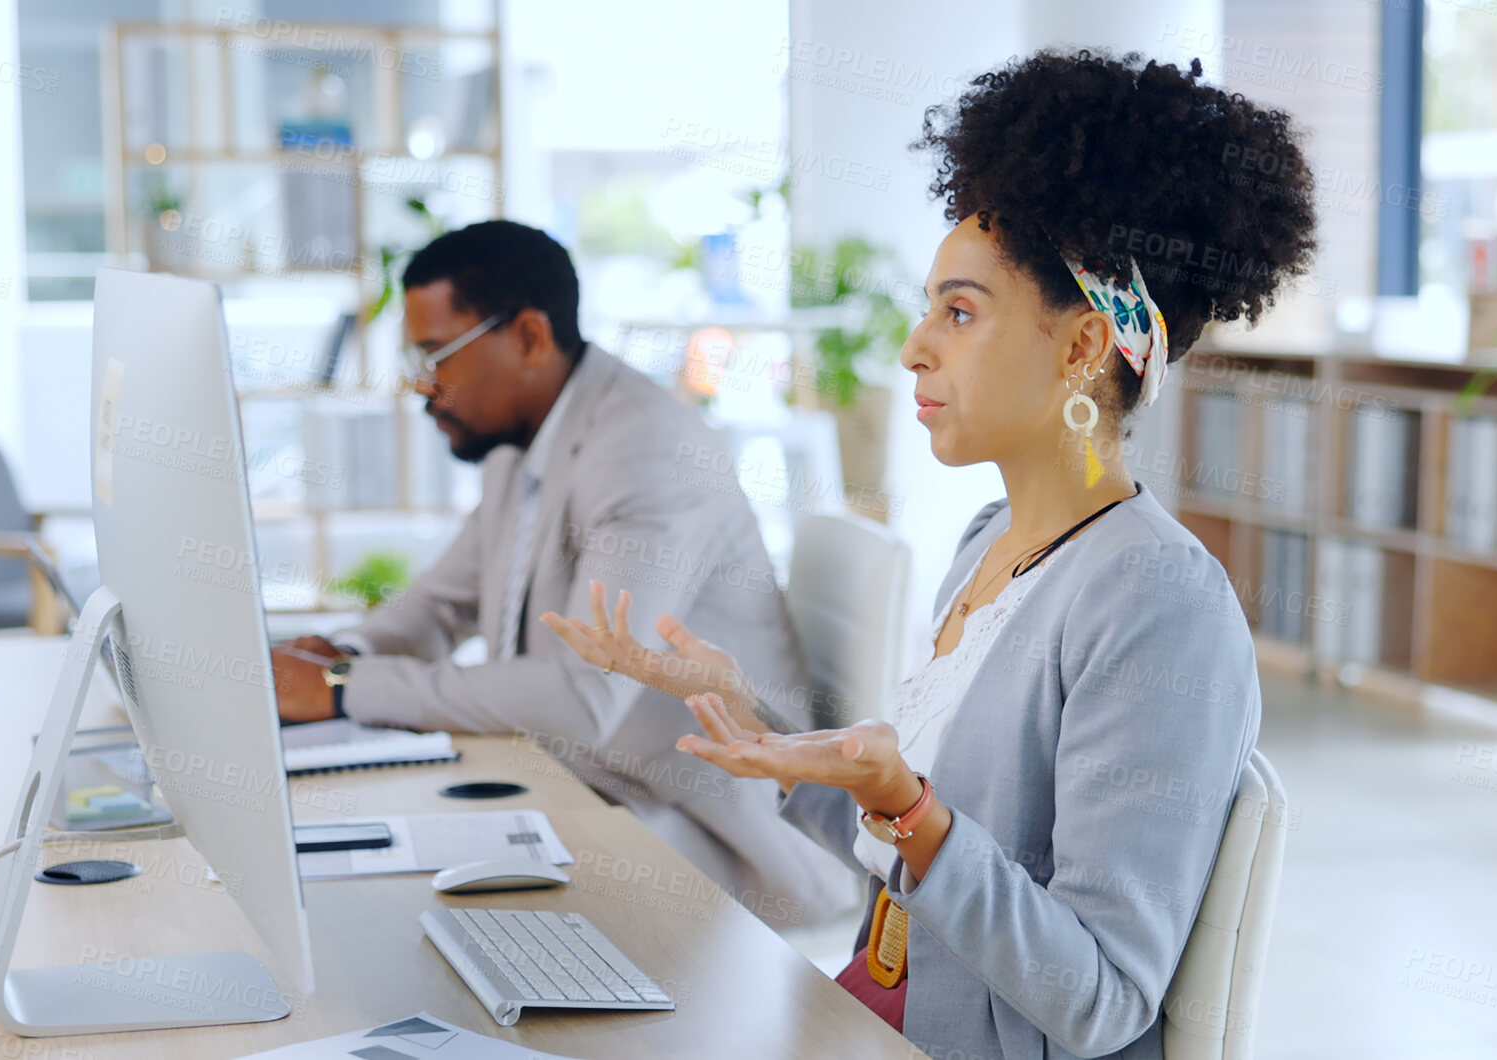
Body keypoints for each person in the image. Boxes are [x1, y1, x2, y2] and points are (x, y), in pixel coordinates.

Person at [543, 50, 1317, 1058]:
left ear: (1085, 343)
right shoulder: (986, 545)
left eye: (958, 311)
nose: (913, 347)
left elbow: (1100, 998)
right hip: (867, 1005)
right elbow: (894, 855)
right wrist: (749, 711)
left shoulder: (1157, 599)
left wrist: (910, 805)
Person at [271, 220, 852, 928]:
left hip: (695, 827)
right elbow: (444, 602)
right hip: (583, 785)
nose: (422, 387)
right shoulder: (525, 439)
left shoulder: (644, 451)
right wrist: (341, 655)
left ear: (527, 337)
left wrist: (340, 692)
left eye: (435, 355)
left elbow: (582, 696)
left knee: (387, 911)